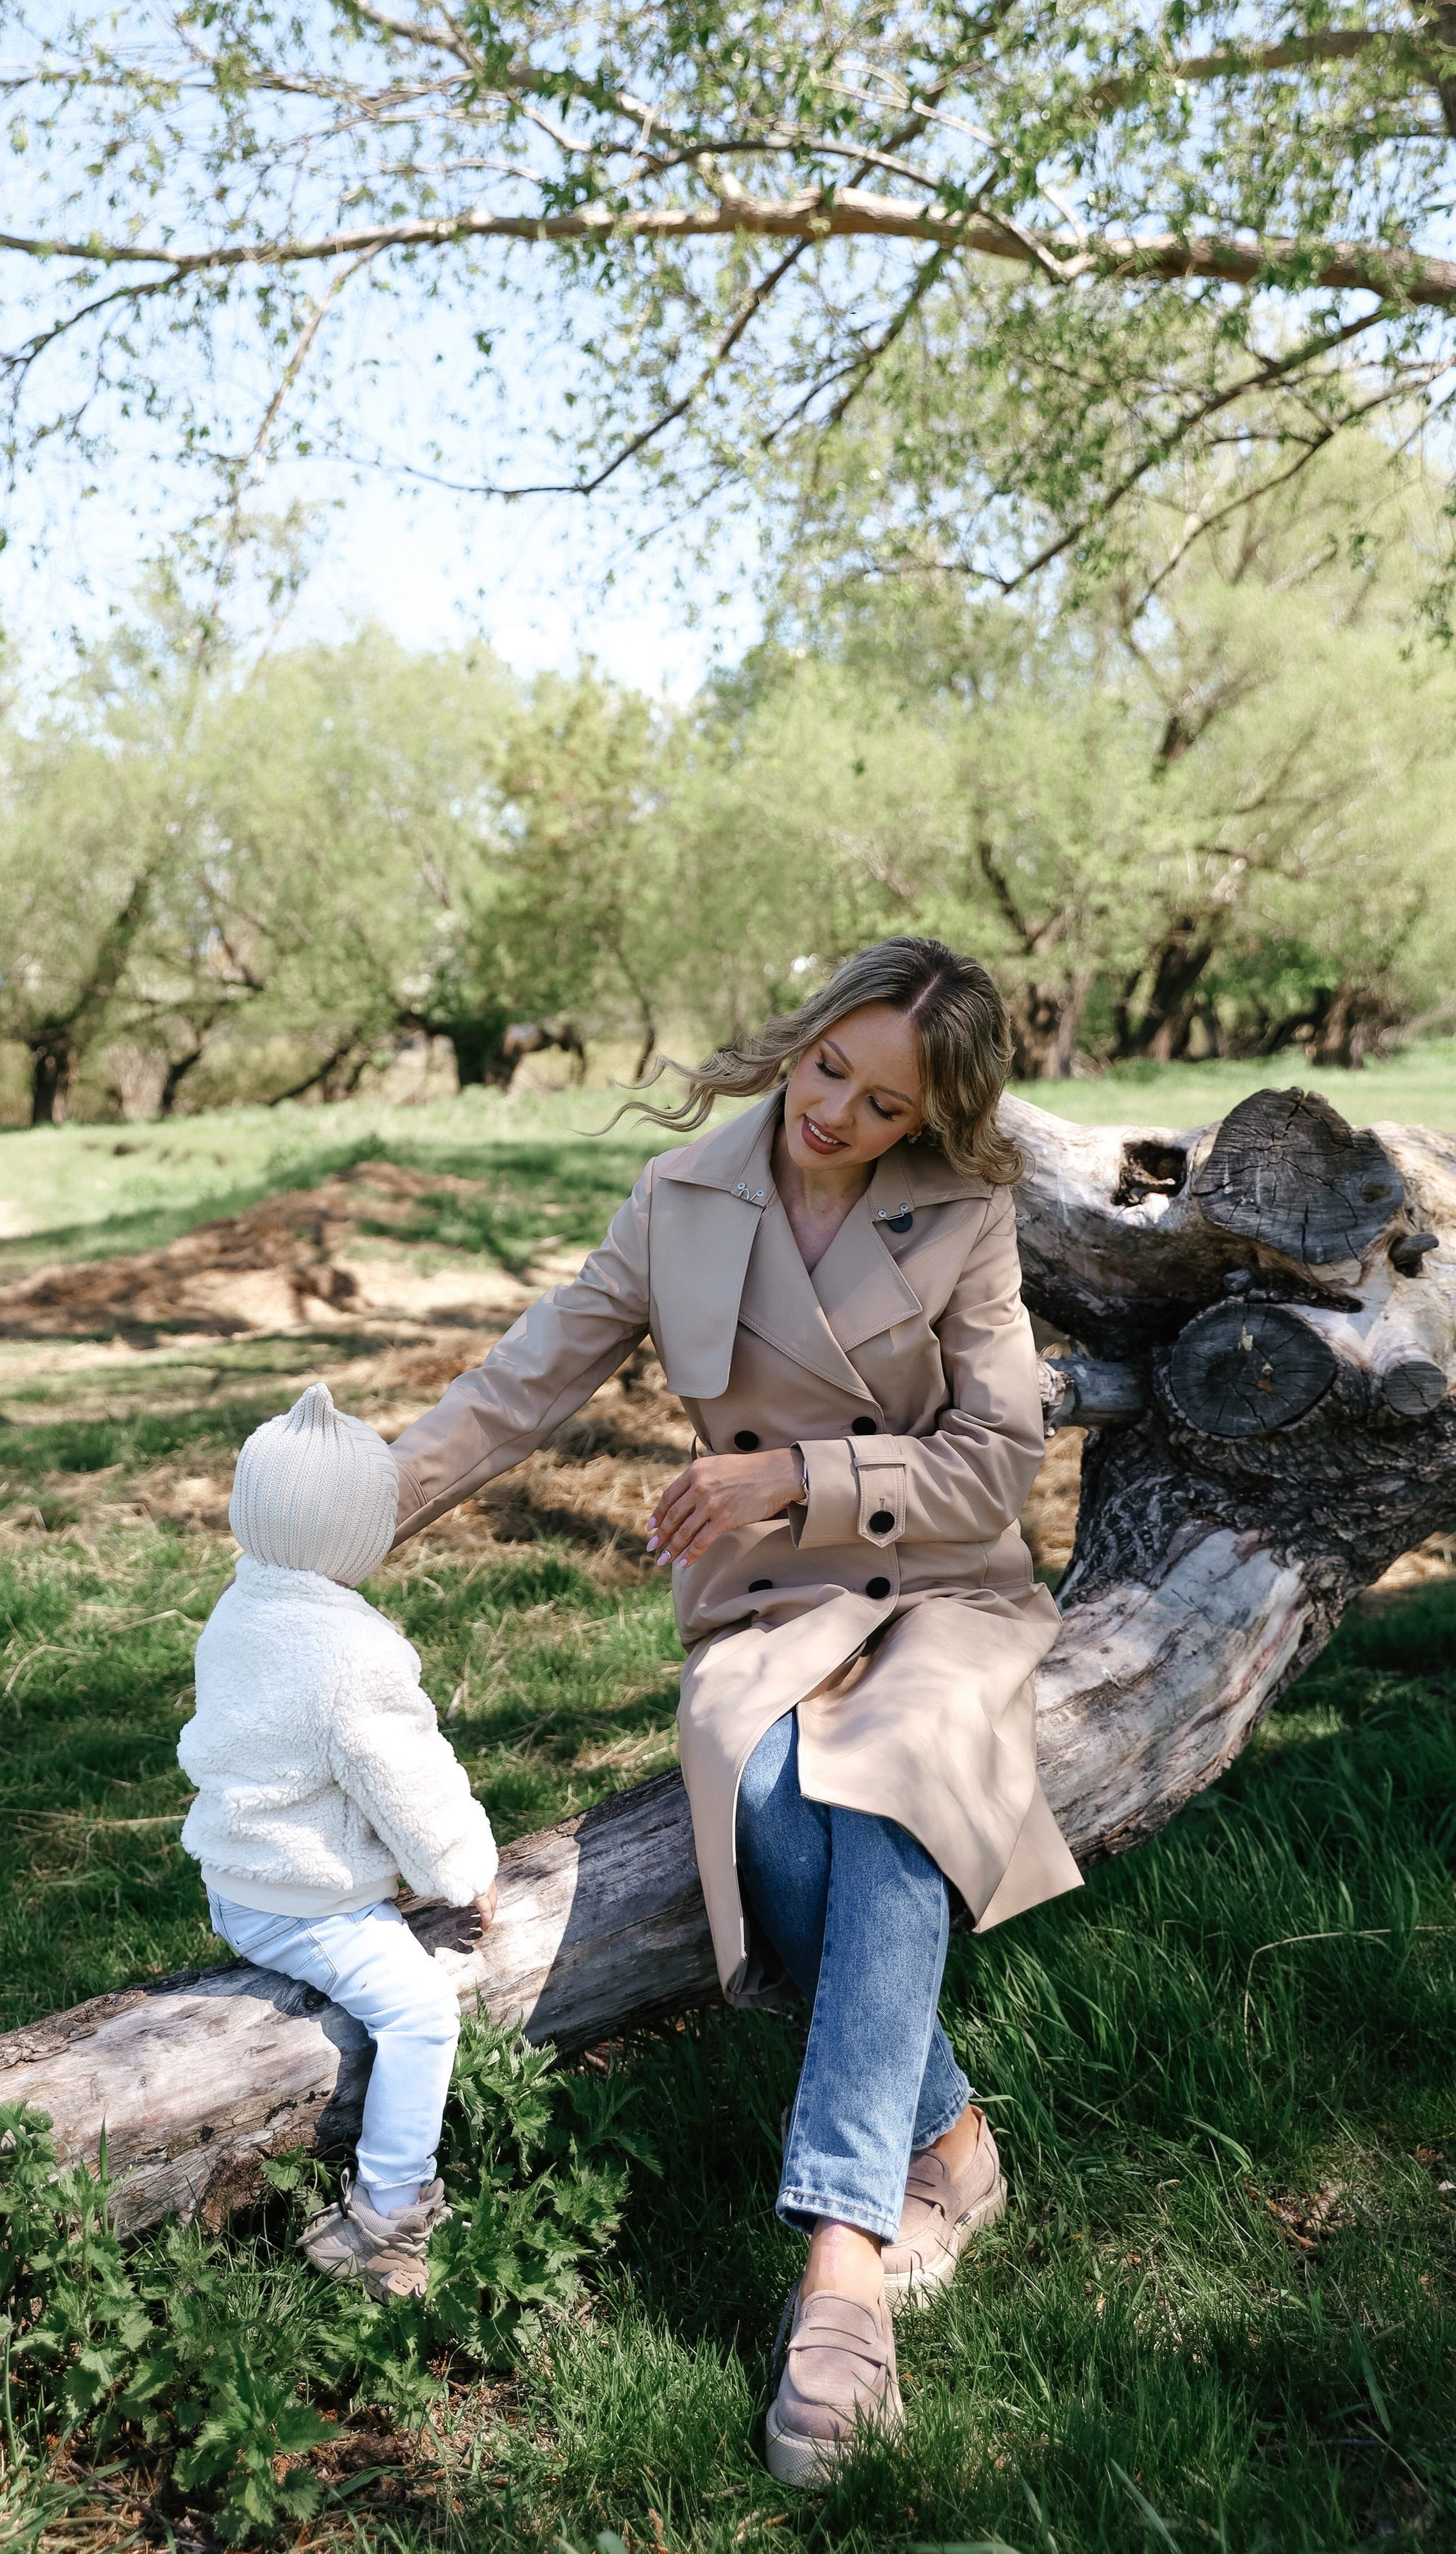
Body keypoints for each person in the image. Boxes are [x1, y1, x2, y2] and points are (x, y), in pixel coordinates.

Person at [387, 936, 1079, 2479]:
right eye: (827, 1065)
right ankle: (948, 2142)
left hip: (937, 1588)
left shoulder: (969, 1221)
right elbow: (517, 1388)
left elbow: (995, 1464)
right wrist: (358, 1508)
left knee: (885, 1790)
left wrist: (792, 1473)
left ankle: (839, 2269)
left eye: (880, 1102)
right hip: (764, 1607)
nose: (830, 1110)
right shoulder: (679, 1201)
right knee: (767, 1800)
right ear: (805, 1037)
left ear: (927, 1121)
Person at [178, 1379, 499, 2305]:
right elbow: (412, 1784)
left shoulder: (241, 1605)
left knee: (389, 1998)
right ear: (361, 1538)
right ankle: (384, 2217)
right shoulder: (354, 1656)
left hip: (236, 1879)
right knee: (421, 2016)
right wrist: (464, 1872)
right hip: (306, 1898)